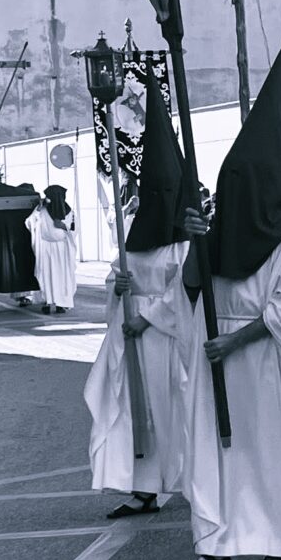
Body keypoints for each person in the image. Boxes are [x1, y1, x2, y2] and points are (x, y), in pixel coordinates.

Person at [168, 37, 281, 560]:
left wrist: (232, 344)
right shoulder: (217, 233)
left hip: (263, 366)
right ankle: (214, 554)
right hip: (221, 361)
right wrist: (196, 241)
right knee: (219, 459)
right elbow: (190, 290)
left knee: (270, 458)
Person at [86, 70, 191, 521]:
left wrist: (145, 319)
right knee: (131, 413)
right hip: (129, 338)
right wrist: (119, 288)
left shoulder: (184, 242)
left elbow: (185, 291)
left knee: (170, 415)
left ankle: (186, 482)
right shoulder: (135, 235)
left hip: (165, 341)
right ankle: (141, 487)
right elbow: (115, 279)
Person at [26, 185, 77, 314]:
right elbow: (29, 222)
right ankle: (48, 302)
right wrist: (38, 208)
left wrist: (63, 226)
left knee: (61, 277)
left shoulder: (68, 211)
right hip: (45, 248)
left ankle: (61, 303)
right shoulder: (42, 210)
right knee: (46, 275)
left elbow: (75, 230)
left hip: (61, 249)